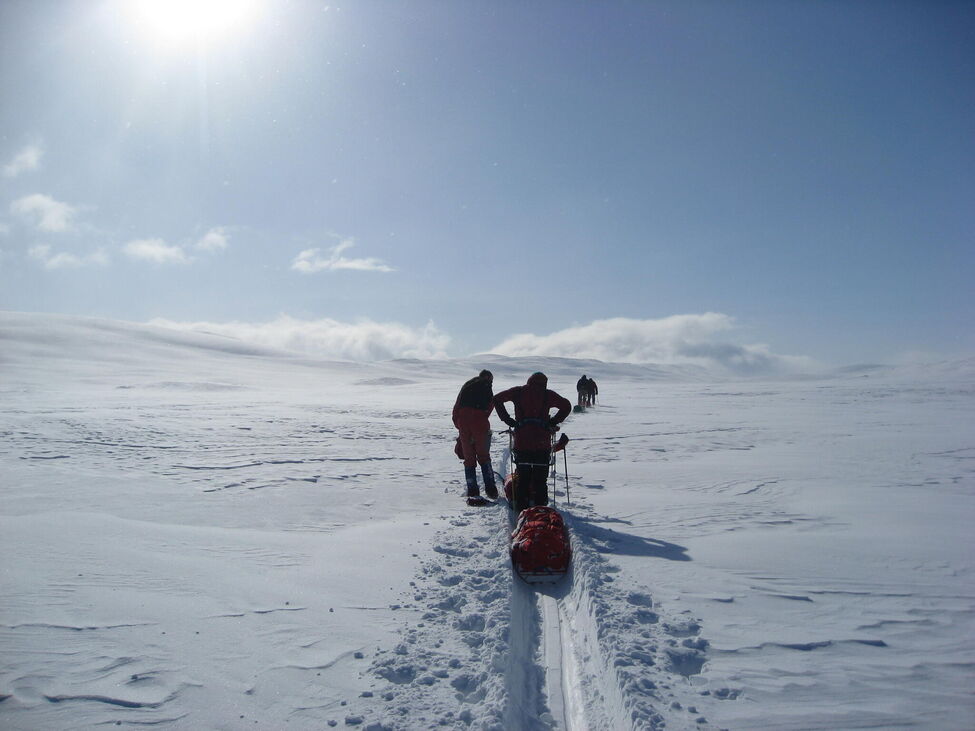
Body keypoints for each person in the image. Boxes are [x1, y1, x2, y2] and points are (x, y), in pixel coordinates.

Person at [493, 372, 571, 512]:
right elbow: (567, 406)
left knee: (523, 478)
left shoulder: (518, 392)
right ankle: (541, 508)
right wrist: (552, 421)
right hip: (542, 443)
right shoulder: (547, 394)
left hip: (522, 442)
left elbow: (497, 399)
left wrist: (507, 419)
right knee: (541, 480)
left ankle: (521, 508)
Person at [452, 369, 497, 500]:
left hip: (464, 421)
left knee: (469, 458)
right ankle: (491, 489)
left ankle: (472, 490)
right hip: (479, 422)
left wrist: (460, 426)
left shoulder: (467, 386)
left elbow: (457, 407)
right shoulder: (487, 386)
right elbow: (490, 407)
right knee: (483, 456)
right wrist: (481, 421)